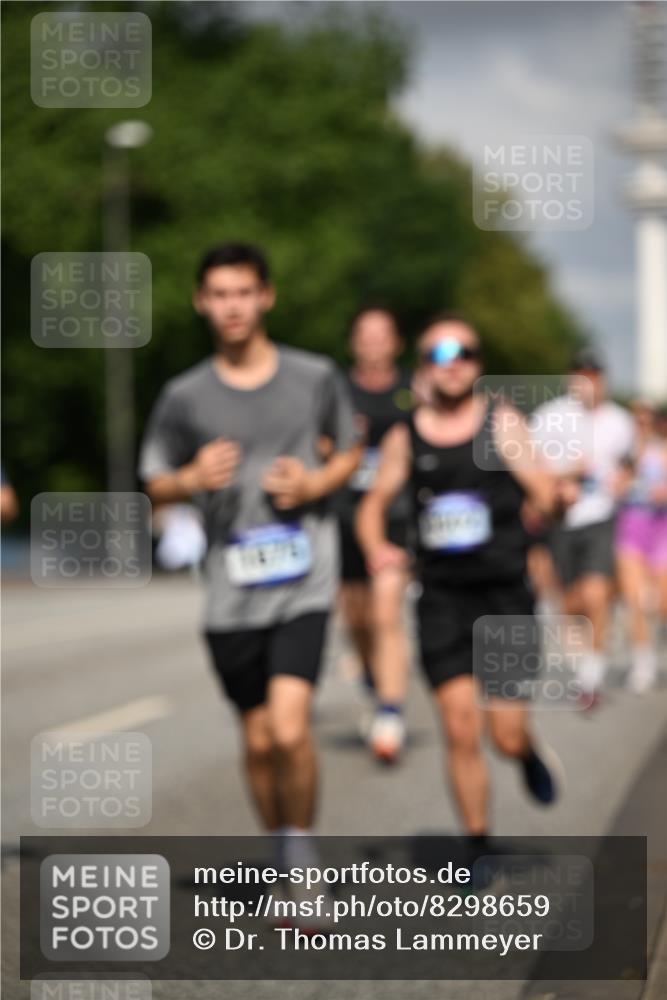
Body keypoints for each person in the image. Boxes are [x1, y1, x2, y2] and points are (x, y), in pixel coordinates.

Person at [140, 242, 361, 865]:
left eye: (243, 292)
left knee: (291, 729)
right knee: (259, 740)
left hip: (304, 578)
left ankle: (303, 860)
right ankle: (281, 844)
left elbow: (349, 450)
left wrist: (317, 483)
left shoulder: (314, 375)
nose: (232, 307)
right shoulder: (184, 396)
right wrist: (190, 477)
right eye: (219, 295)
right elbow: (153, 480)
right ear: (200, 302)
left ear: (266, 296)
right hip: (230, 592)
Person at [357, 315, 561, 849]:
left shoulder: (501, 424)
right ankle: (477, 843)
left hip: (503, 596)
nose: (453, 363)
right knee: (458, 726)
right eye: (438, 354)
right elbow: (373, 503)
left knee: (504, 734)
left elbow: (542, 488)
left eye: (464, 352)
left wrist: (553, 500)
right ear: (423, 367)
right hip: (442, 598)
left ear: (478, 364)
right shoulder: (406, 437)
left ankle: (526, 752)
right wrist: (377, 546)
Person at [333, 306, 413, 762]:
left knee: (386, 611)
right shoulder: (337, 392)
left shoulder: (412, 392)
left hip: (396, 518)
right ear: (354, 343)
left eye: (382, 334)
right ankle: (370, 676)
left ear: (396, 342)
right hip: (345, 515)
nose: (374, 342)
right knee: (358, 617)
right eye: (365, 335)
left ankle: (390, 710)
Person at [533, 350, 635, 709]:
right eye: (581, 375)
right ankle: (582, 661)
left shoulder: (619, 422)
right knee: (570, 600)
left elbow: (628, 463)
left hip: (600, 517)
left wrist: (623, 481)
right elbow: (534, 468)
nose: (588, 383)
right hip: (562, 519)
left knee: (596, 593)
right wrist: (566, 476)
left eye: (594, 376)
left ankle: (591, 677)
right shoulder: (550, 417)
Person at [615, 401, 667, 693]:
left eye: (648, 419)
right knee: (634, 599)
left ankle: (658, 634)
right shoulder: (630, 452)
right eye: (639, 419)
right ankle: (642, 663)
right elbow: (617, 485)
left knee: (661, 603)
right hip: (633, 526)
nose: (644, 424)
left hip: (662, 528)